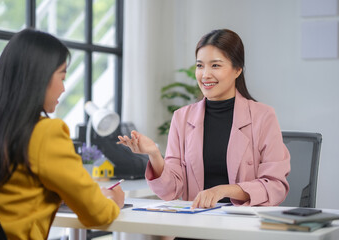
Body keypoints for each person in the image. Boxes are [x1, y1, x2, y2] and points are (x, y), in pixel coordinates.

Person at [118, 29, 290, 210]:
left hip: (243, 228)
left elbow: (276, 186)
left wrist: (224, 191)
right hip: (197, 225)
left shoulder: (263, 116)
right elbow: (170, 190)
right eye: (200, 66)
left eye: (215, 65)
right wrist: (153, 154)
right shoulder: (182, 118)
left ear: (237, 70)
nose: (205, 74)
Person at [0, 28, 124, 239]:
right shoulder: (45, 132)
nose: (63, 89)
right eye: (62, 77)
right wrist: (112, 200)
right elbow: (97, 214)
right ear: (39, 77)